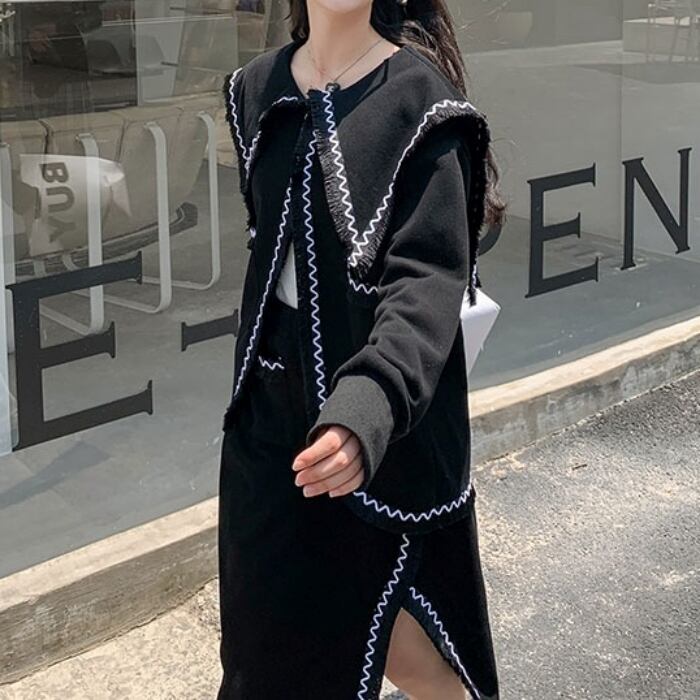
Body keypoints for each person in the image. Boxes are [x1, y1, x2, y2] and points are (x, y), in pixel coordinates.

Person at [218, 1, 507, 698]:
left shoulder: (423, 103)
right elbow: (269, 250)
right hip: (267, 426)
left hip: (387, 429)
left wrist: (366, 407)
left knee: (407, 644)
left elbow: (426, 283)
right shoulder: (254, 88)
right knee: (264, 648)